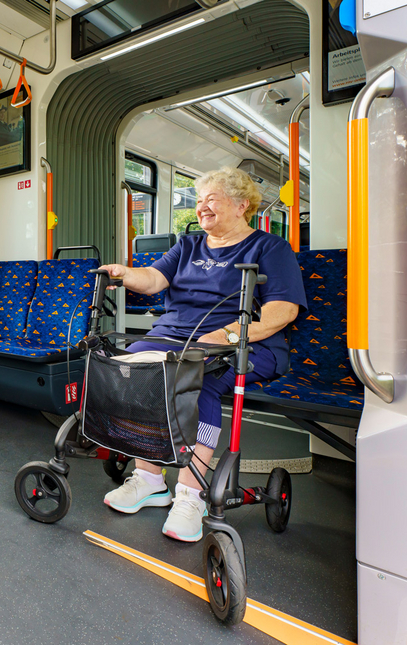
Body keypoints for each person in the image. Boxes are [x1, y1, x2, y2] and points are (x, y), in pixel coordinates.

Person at [98, 166, 305, 542]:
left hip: (247, 342)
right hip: (176, 336)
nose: (202, 208)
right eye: (200, 201)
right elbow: (154, 280)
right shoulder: (188, 245)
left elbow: (283, 311)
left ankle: (191, 495)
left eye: (213, 200)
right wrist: (125, 273)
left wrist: (225, 333)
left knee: (196, 378)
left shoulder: (269, 247)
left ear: (242, 205)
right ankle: (148, 479)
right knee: (133, 371)